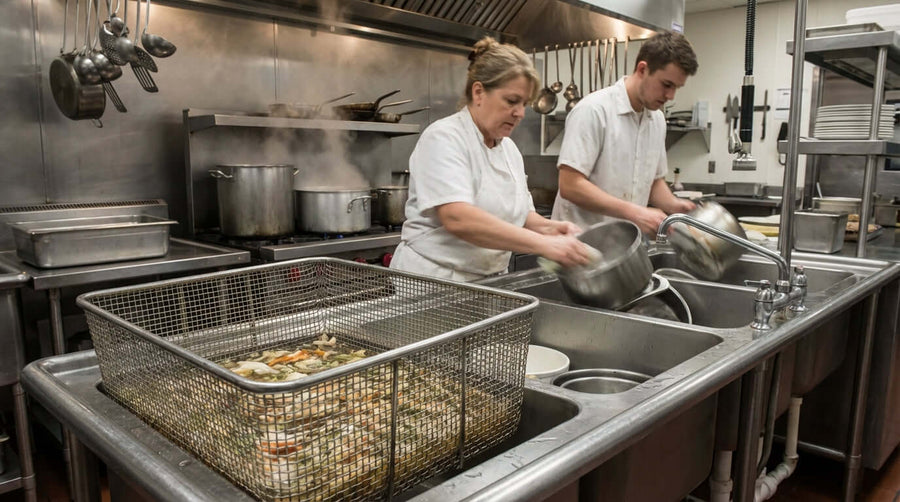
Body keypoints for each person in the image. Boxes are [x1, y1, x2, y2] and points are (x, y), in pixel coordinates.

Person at [390, 37, 593, 282]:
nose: (520, 113)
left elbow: (520, 214)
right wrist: (544, 244)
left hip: (488, 282)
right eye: (511, 101)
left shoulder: (509, 149)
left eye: (525, 104)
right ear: (478, 92)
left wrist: (551, 229)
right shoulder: (444, 138)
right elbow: (458, 218)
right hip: (434, 282)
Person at [551, 31, 699, 235]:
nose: (671, 96)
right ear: (642, 69)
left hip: (625, 243)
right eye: (667, 85)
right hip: (579, 242)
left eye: (677, 88)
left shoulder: (656, 120)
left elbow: (653, 182)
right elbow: (570, 185)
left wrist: (674, 205)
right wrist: (634, 212)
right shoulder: (594, 110)